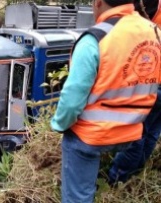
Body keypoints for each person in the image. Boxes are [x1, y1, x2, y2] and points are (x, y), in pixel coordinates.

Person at [50, 0, 161, 202]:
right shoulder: (154, 32)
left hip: (91, 136)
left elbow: (72, 100)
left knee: (78, 190)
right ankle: (116, 182)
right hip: (132, 131)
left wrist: (59, 125)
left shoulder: (95, 38)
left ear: (98, 2)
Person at [108, 0, 161, 184]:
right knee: (151, 132)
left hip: (153, 82)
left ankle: (117, 179)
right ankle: (135, 172)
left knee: (135, 134)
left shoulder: (146, 9)